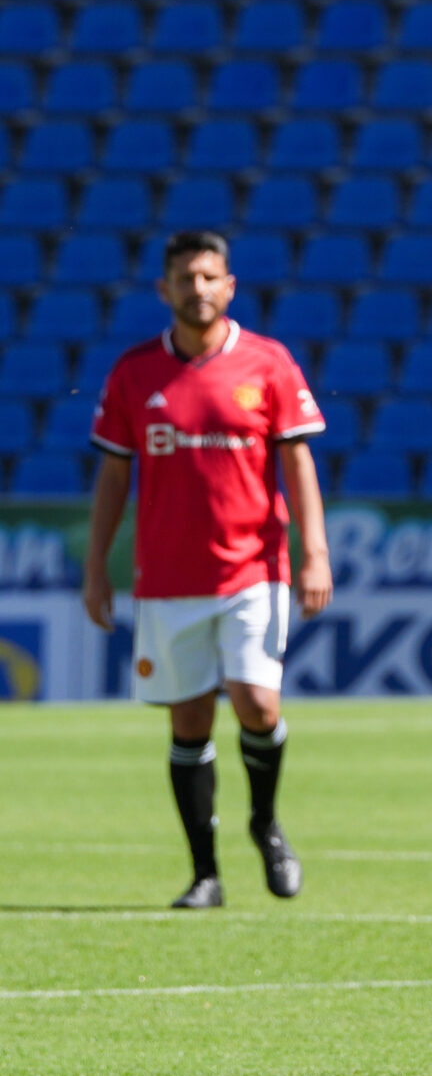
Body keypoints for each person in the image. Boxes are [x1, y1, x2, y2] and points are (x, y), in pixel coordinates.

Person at [80, 230, 331, 910]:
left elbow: (298, 461)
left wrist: (314, 551)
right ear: (164, 289)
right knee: (188, 722)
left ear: (230, 285)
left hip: (254, 565)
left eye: (209, 276)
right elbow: (113, 474)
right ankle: (205, 874)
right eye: (186, 278)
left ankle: (265, 823)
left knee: (258, 703)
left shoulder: (267, 363)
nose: (198, 289)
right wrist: (96, 567)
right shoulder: (135, 372)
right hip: (167, 577)